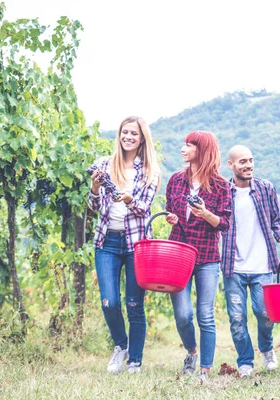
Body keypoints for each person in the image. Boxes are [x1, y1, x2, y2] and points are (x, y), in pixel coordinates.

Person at [88, 116, 161, 374]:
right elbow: (94, 207)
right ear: (119, 135)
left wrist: (129, 199)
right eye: (125, 132)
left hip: (136, 244)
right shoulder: (105, 165)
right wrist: (95, 188)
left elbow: (143, 209)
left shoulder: (150, 172)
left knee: (134, 304)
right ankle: (121, 345)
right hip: (107, 240)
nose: (128, 137)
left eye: (134, 133)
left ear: (142, 139)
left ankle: (135, 361)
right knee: (109, 302)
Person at [164, 130, 232, 382]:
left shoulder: (221, 186)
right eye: (184, 144)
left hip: (206, 257)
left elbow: (224, 223)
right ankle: (192, 351)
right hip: (178, 254)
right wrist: (172, 217)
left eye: (189, 145)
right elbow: (170, 211)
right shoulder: (175, 180)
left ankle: (205, 369)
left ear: (202, 151)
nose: (183, 149)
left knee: (205, 314)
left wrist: (205, 214)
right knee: (183, 314)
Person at [221, 145, 280, 378]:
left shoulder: (265, 188)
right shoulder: (223, 192)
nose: (248, 165)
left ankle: (267, 348)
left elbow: (278, 220)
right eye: (242, 161)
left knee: (265, 313)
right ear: (231, 165)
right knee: (237, 318)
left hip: (263, 265)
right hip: (234, 267)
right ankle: (245, 361)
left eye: (251, 160)